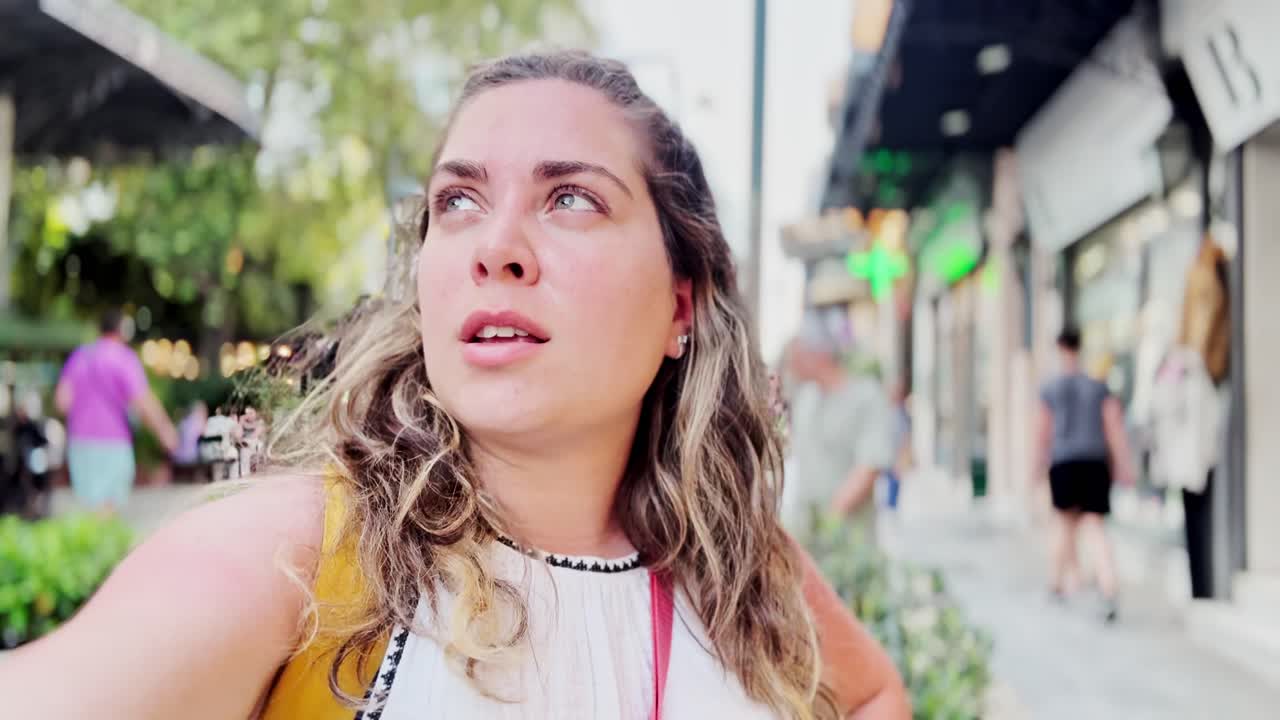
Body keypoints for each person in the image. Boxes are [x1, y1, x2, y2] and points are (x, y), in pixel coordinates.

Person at [1, 52, 907, 719]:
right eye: (458, 201)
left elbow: (875, 697)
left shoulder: (737, 565)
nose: (494, 247)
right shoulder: (300, 561)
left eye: (571, 199)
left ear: (681, 305)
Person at [1036, 328, 1136, 622]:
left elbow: (1042, 432)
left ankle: (1056, 587)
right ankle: (1108, 589)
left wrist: (1037, 467)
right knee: (1095, 527)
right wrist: (1124, 465)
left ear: (1059, 349)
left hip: (1064, 462)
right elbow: (1114, 426)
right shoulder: (1097, 387)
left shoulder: (1051, 388)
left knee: (1064, 525)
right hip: (1094, 462)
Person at [54, 309, 178, 512]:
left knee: (89, 509)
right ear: (122, 330)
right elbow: (143, 402)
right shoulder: (124, 358)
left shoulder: (80, 356)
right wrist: (166, 433)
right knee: (108, 510)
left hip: (80, 443)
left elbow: (62, 401)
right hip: (113, 442)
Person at [783, 316, 893, 542]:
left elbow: (869, 467)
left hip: (851, 540)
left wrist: (829, 520)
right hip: (808, 535)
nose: (792, 364)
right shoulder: (806, 398)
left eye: (797, 355)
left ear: (818, 355)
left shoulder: (866, 397)